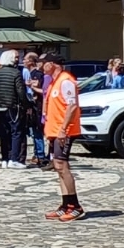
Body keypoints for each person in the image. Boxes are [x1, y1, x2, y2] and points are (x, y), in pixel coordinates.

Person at [40, 54, 85, 222]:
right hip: (54, 131)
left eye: (43, 63)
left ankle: (75, 205)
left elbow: (71, 105)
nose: (41, 66)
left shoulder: (66, 80)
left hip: (64, 131)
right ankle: (65, 204)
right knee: (58, 167)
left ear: (51, 64)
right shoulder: (54, 81)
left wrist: (63, 129)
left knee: (62, 165)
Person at [0, 50, 29, 169]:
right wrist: (25, 105)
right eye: (15, 58)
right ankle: (14, 159)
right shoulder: (16, 73)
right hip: (13, 106)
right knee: (16, 132)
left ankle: (4, 159)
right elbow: (20, 91)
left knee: (3, 133)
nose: (17, 60)